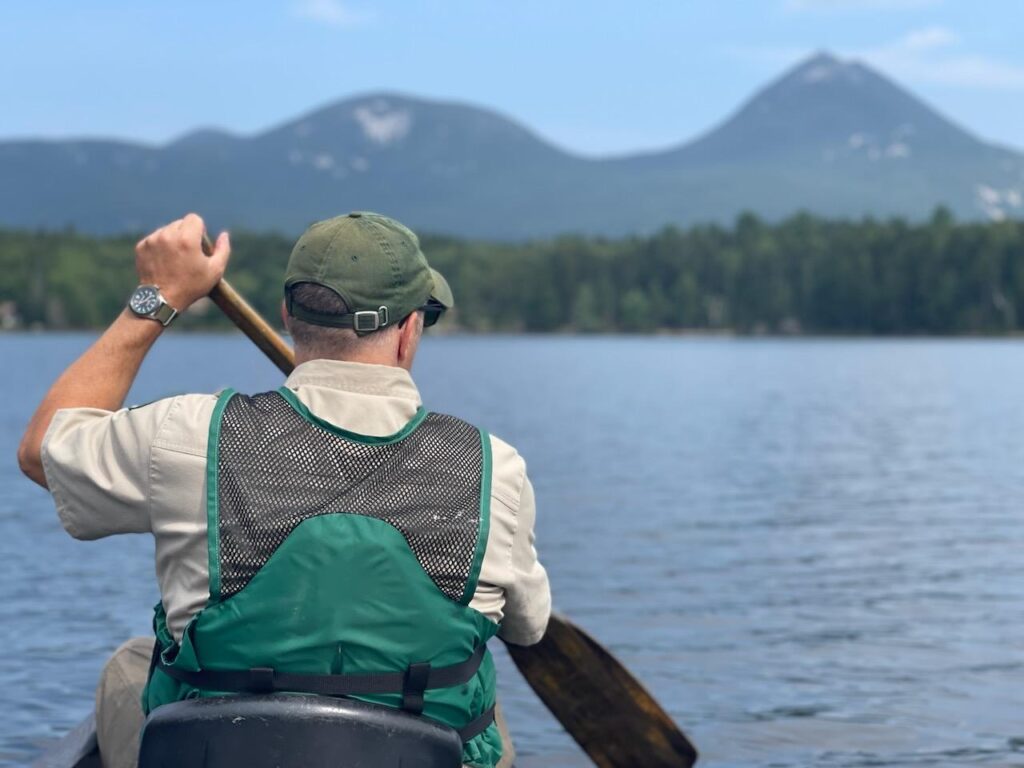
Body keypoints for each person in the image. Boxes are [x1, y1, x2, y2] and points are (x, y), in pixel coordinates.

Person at [18, 211, 551, 768]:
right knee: (481, 705)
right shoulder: (497, 471)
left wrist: (157, 296)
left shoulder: (189, 436)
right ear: (410, 329)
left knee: (130, 664)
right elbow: (530, 626)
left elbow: (42, 450)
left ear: (288, 317)